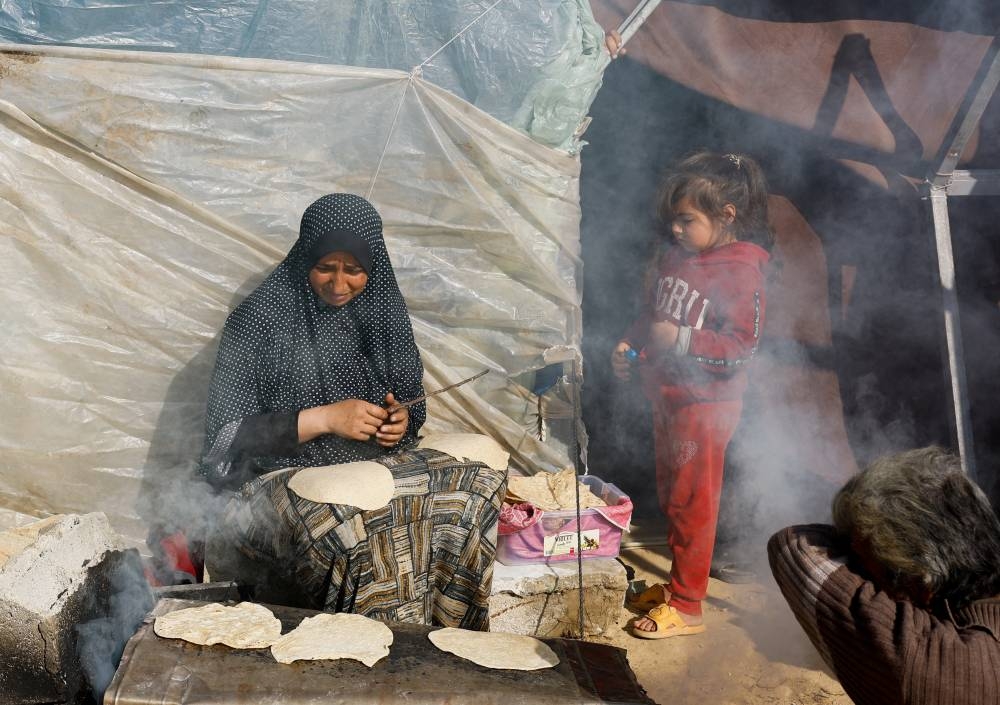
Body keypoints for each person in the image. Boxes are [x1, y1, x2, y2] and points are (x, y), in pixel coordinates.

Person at [198, 193, 506, 629]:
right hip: (275, 479)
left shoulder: (383, 311)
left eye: (354, 269)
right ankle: (366, 645)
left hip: (373, 464)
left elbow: (408, 401)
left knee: (473, 483)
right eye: (326, 266)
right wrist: (325, 418)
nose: (339, 284)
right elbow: (225, 437)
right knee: (344, 520)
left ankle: (448, 635)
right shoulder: (260, 319)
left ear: (372, 267)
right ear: (306, 256)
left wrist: (399, 422)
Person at [613, 151, 773, 638]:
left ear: (727, 216)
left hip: (706, 407)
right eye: (673, 220)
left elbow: (741, 348)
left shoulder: (741, 273)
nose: (676, 230)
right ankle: (677, 587)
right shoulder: (676, 259)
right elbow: (654, 313)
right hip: (669, 396)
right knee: (673, 498)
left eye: (687, 220)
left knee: (694, 501)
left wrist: (681, 340)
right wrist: (631, 343)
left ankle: (686, 606)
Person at [769, 447, 1000, 705]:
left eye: (861, 566)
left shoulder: (926, 663)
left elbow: (791, 545)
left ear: (918, 587)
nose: (857, 572)